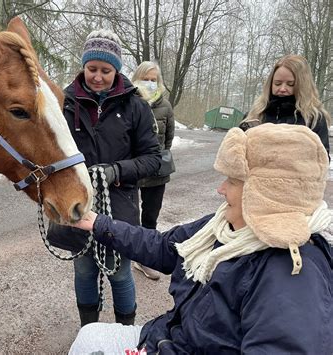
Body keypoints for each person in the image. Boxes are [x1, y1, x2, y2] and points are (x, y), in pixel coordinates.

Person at [69, 123, 333, 354]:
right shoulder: (223, 226)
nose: (220, 189)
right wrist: (98, 223)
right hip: (168, 338)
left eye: (232, 180)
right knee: (89, 336)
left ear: (267, 194)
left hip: (173, 345)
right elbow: (164, 247)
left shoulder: (293, 273)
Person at [62, 29, 161, 327]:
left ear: (116, 69)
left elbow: (153, 159)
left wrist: (117, 171)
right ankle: (88, 329)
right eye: (92, 69)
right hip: (79, 203)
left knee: (119, 271)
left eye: (106, 70)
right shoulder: (66, 103)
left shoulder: (136, 106)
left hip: (119, 204)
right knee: (83, 270)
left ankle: (125, 332)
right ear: (83, 66)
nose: (98, 77)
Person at [131, 61, 175, 281]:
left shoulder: (166, 106)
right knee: (128, 216)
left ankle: (144, 259)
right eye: (145, 79)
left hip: (157, 173)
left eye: (153, 80)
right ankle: (124, 251)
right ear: (137, 79)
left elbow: (168, 140)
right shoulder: (128, 102)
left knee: (150, 217)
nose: (149, 83)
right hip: (133, 170)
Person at [239, 54, 330, 155]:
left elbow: (323, 159)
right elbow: (237, 152)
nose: (282, 89)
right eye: (277, 83)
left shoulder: (314, 118)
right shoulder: (254, 115)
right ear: (270, 84)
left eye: (290, 84)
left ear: (303, 86)